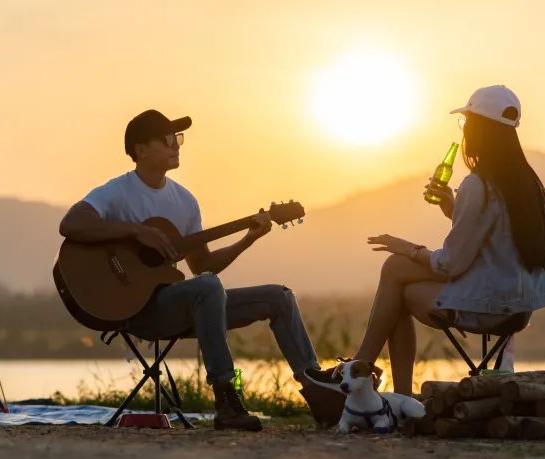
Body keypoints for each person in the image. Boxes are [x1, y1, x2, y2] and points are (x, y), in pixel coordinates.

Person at [58, 109, 340, 431]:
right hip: (137, 311)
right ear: (141, 149)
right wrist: (136, 231)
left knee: (280, 297)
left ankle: (319, 390)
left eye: (177, 139)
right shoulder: (117, 192)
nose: (176, 145)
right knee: (208, 286)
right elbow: (71, 223)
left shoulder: (185, 201)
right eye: (167, 139)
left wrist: (248, 239)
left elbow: (203, 266)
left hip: (183, 306)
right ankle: (226, 398)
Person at [347, 85, 545, 394]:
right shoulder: (528, 185)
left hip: (489, 305)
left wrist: (409, 248)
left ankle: (369, 377)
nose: (464, 130)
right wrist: (454, 210)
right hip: (519, 307)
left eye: (466, 122)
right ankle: (370, 375)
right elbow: (497, 240)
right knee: (396, 269)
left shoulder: (479, 185)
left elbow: (451, 265)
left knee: (397, 278)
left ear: (479, 129)